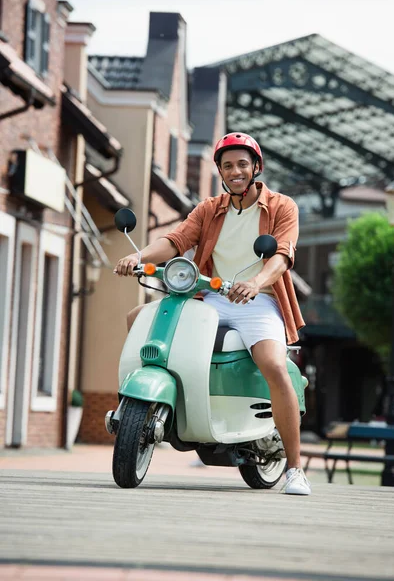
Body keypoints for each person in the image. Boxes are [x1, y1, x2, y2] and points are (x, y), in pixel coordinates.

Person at [114, 132, 311, 495]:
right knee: (138, 319)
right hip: (213, 295)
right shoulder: (209, 208)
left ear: (256, 167)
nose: (235, 171)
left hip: (259, 299)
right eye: (227, 166)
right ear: (219, 171)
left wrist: (256, 282)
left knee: (272, 364)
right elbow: (176, 240)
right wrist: (138, 257)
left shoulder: (282, 206)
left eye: (241, 164)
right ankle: (134, 410)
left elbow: (282, 256)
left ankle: (295, 469)